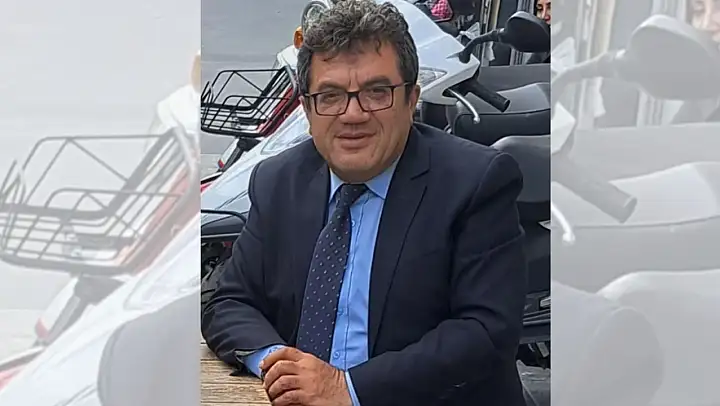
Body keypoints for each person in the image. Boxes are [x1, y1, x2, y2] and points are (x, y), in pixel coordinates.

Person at [201, 1, 528, 405]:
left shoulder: (475, 182)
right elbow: (229, 301)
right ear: (307, 109)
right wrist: (282, 366)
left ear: (411, 99)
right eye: (331, 95)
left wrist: (347, 389)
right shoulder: (277, 182)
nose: (353, 114)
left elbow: (486, 330)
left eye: (376, 92)